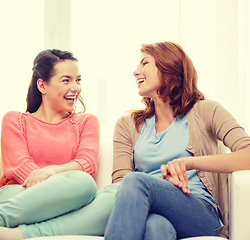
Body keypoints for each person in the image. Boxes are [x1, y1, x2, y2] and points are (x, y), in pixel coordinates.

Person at [0, 49, 101, 240]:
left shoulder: (86, 122)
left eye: (78, 80)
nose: (75, 87)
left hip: (67, 197)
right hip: (18, 195)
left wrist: (50, 172)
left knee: (106, 192)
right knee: (82, 184)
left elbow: (87, 164)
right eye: (66, 80)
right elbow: (20, 167)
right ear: (42, 85)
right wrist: (57, 193)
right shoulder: (15, 120)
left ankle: (15, 234)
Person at [104, 41, 250, 240]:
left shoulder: (206, 110)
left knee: (136, 182)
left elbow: (248, 155)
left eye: (144, 63)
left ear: (168, 67)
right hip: (152, 209)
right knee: (156, 228)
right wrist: (159, 182)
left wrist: (187, 163)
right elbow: (120, 186)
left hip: (199, 210)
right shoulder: (126, 125)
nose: (135, 72)